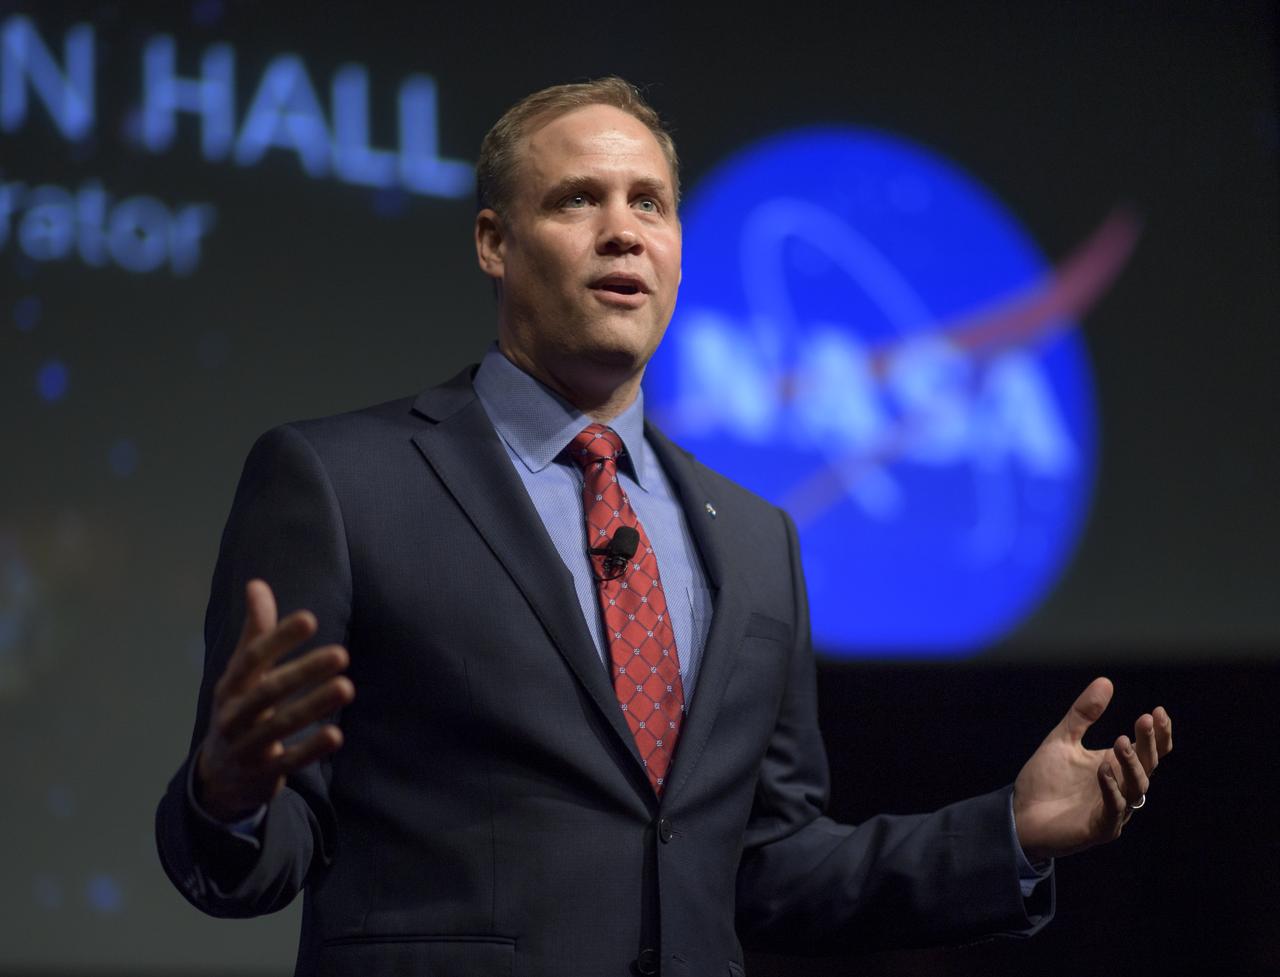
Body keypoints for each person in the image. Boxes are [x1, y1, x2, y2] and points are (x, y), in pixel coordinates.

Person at [156, 78, 1173, 977]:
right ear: (492, 242)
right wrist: (229, 791)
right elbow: (271, 847)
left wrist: (1009, 832)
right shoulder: (340, 481)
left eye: (649, 202)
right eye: (576, 199)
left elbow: (771, 866)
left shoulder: (753, 540)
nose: (622, 229)